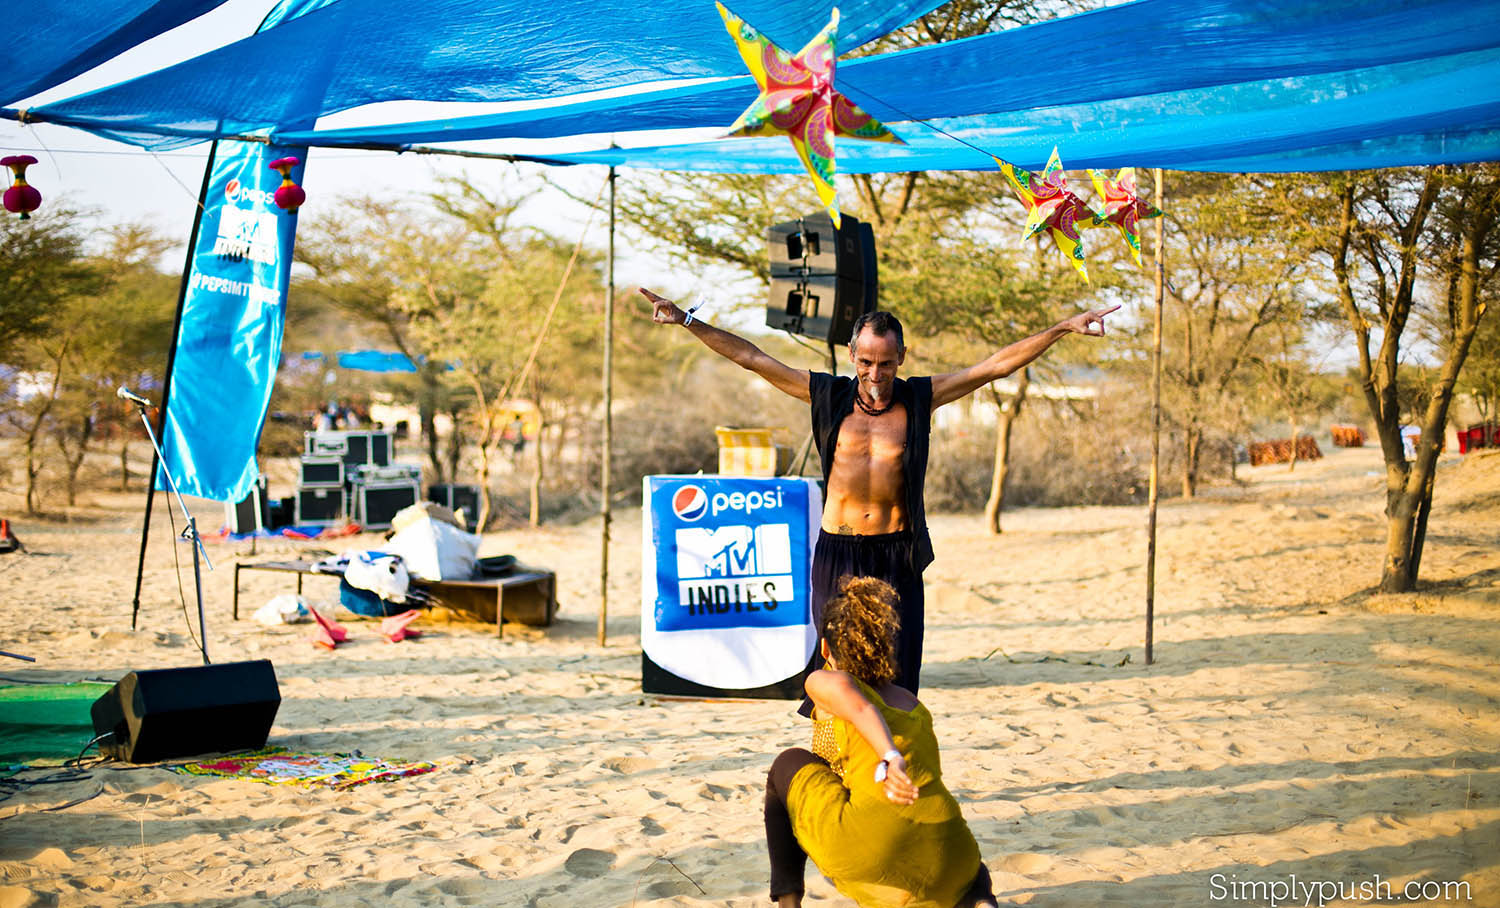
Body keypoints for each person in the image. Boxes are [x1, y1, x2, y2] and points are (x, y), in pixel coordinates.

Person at [640, 287, 1116, 695]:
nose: (874, 373)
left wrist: (1063, 328)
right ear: (852, 356)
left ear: (901, 359)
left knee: (896, 671)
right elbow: (751, 357)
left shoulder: (920, 397)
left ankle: (890, 765)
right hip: (839, 551)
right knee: (836, 669)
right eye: (866, 361)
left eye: (885, 363)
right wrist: (686, 320)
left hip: (896, 552)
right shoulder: (826, 394)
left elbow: (994, 367)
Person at [764, 575, 997, 908]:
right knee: (972, 874)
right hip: (951, 849)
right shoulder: (908, 700)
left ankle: (789, 904)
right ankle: (979, 900)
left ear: (826, 648)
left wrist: (889, 755)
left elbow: (859, 706)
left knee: (788, 764)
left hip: (874, 841)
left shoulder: (827, 681)